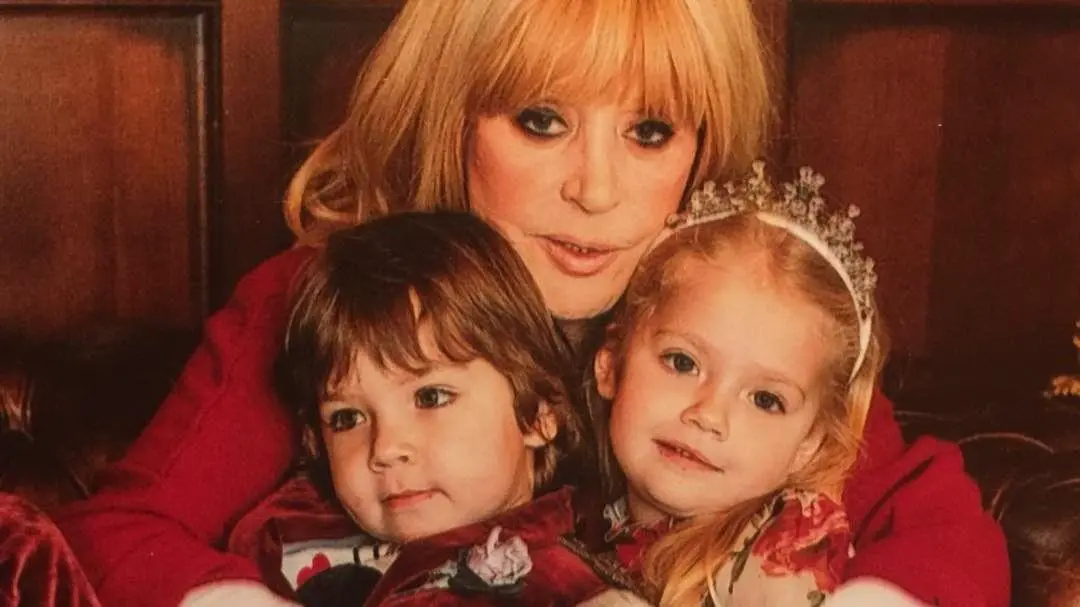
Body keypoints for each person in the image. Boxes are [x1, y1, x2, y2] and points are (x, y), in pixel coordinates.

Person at [53, 1, 1008, 606]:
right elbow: (117, 533)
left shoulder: (724, 313)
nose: (595, 189)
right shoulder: (327, 299)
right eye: (542, 121)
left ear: (702, 148)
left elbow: (937, 520)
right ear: (451, 117)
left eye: (649, 131)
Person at [234, 210, 622, 605]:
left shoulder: (563, 586)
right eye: (347, 418)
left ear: (538, 413)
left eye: (430, 397)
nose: (386, 448)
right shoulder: (285, 531)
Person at [587, 164, 885, 605]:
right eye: (682, 363)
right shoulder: (574, 517)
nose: (709, 414)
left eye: (765, 399)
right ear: (611, 364)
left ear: (809, 444)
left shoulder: (781, 551)